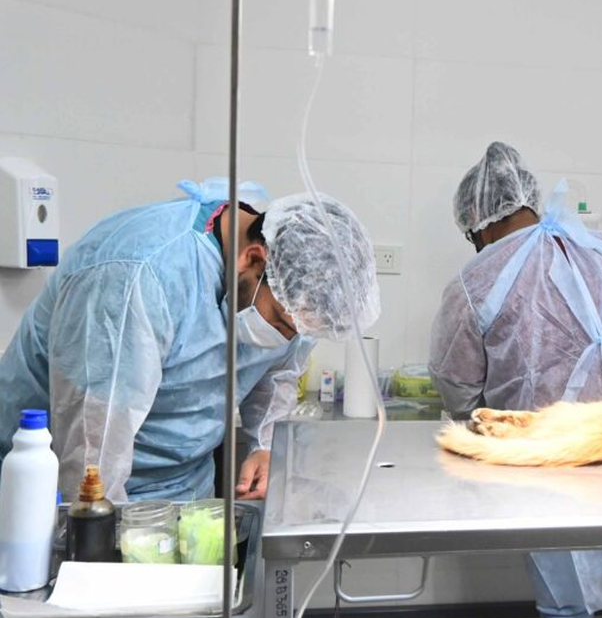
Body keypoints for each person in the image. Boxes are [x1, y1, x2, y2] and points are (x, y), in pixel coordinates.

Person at [430, 142, 602, 618]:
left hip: (550, 451)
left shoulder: (477, 280)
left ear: (478, 221)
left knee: (565, 602)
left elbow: (458, 387)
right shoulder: (601, 249)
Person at [0, 179, 379, 503]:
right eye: (281, 322)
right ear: (253, 259)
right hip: (56, 489)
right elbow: (90, 446)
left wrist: (265, 445)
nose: (286, 338)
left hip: (185, 490)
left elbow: (279, 370)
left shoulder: (290, 288)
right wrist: (101, 537)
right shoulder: (138, 276)